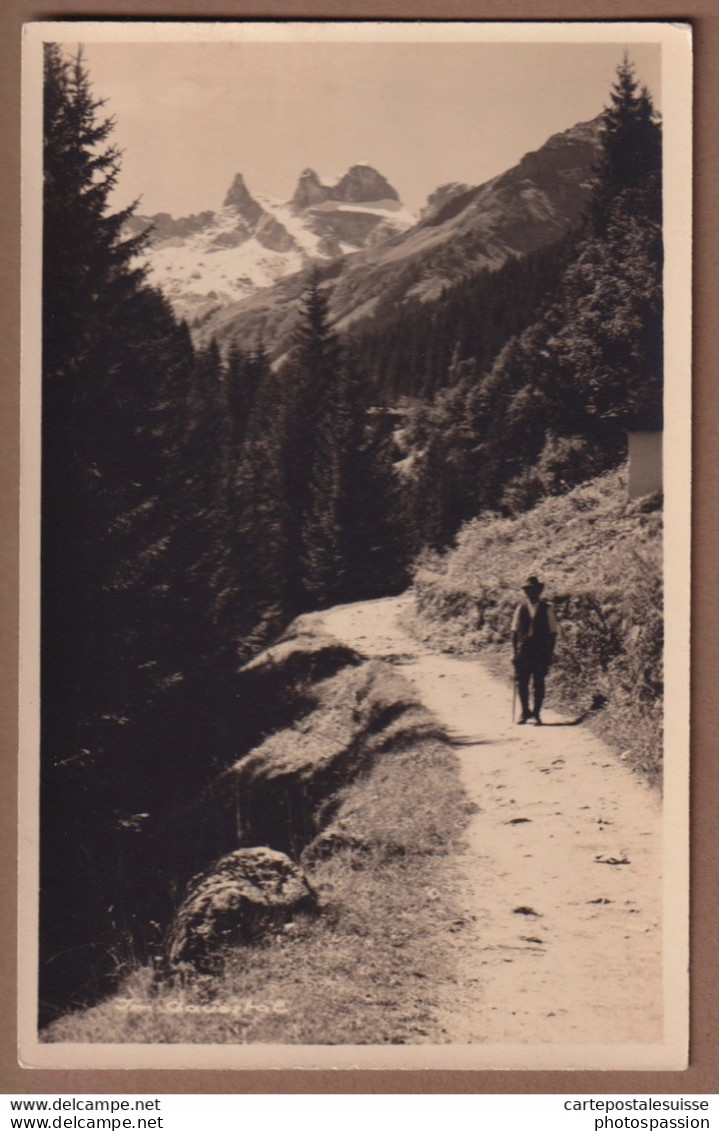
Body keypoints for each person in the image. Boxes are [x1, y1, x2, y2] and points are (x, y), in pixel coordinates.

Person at [511, 575, 558, 726]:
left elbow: (553, 633)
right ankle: (525, 712)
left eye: (534, 590)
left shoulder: (547, 608)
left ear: (539, 591)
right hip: (524, 649)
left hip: (540, 649)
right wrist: (514, 652)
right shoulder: (521, 608)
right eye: (528, 590)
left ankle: (537, 713)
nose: (531, 593)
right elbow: (514, 631)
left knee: (539, 682)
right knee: (522, 681)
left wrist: (550, 652)